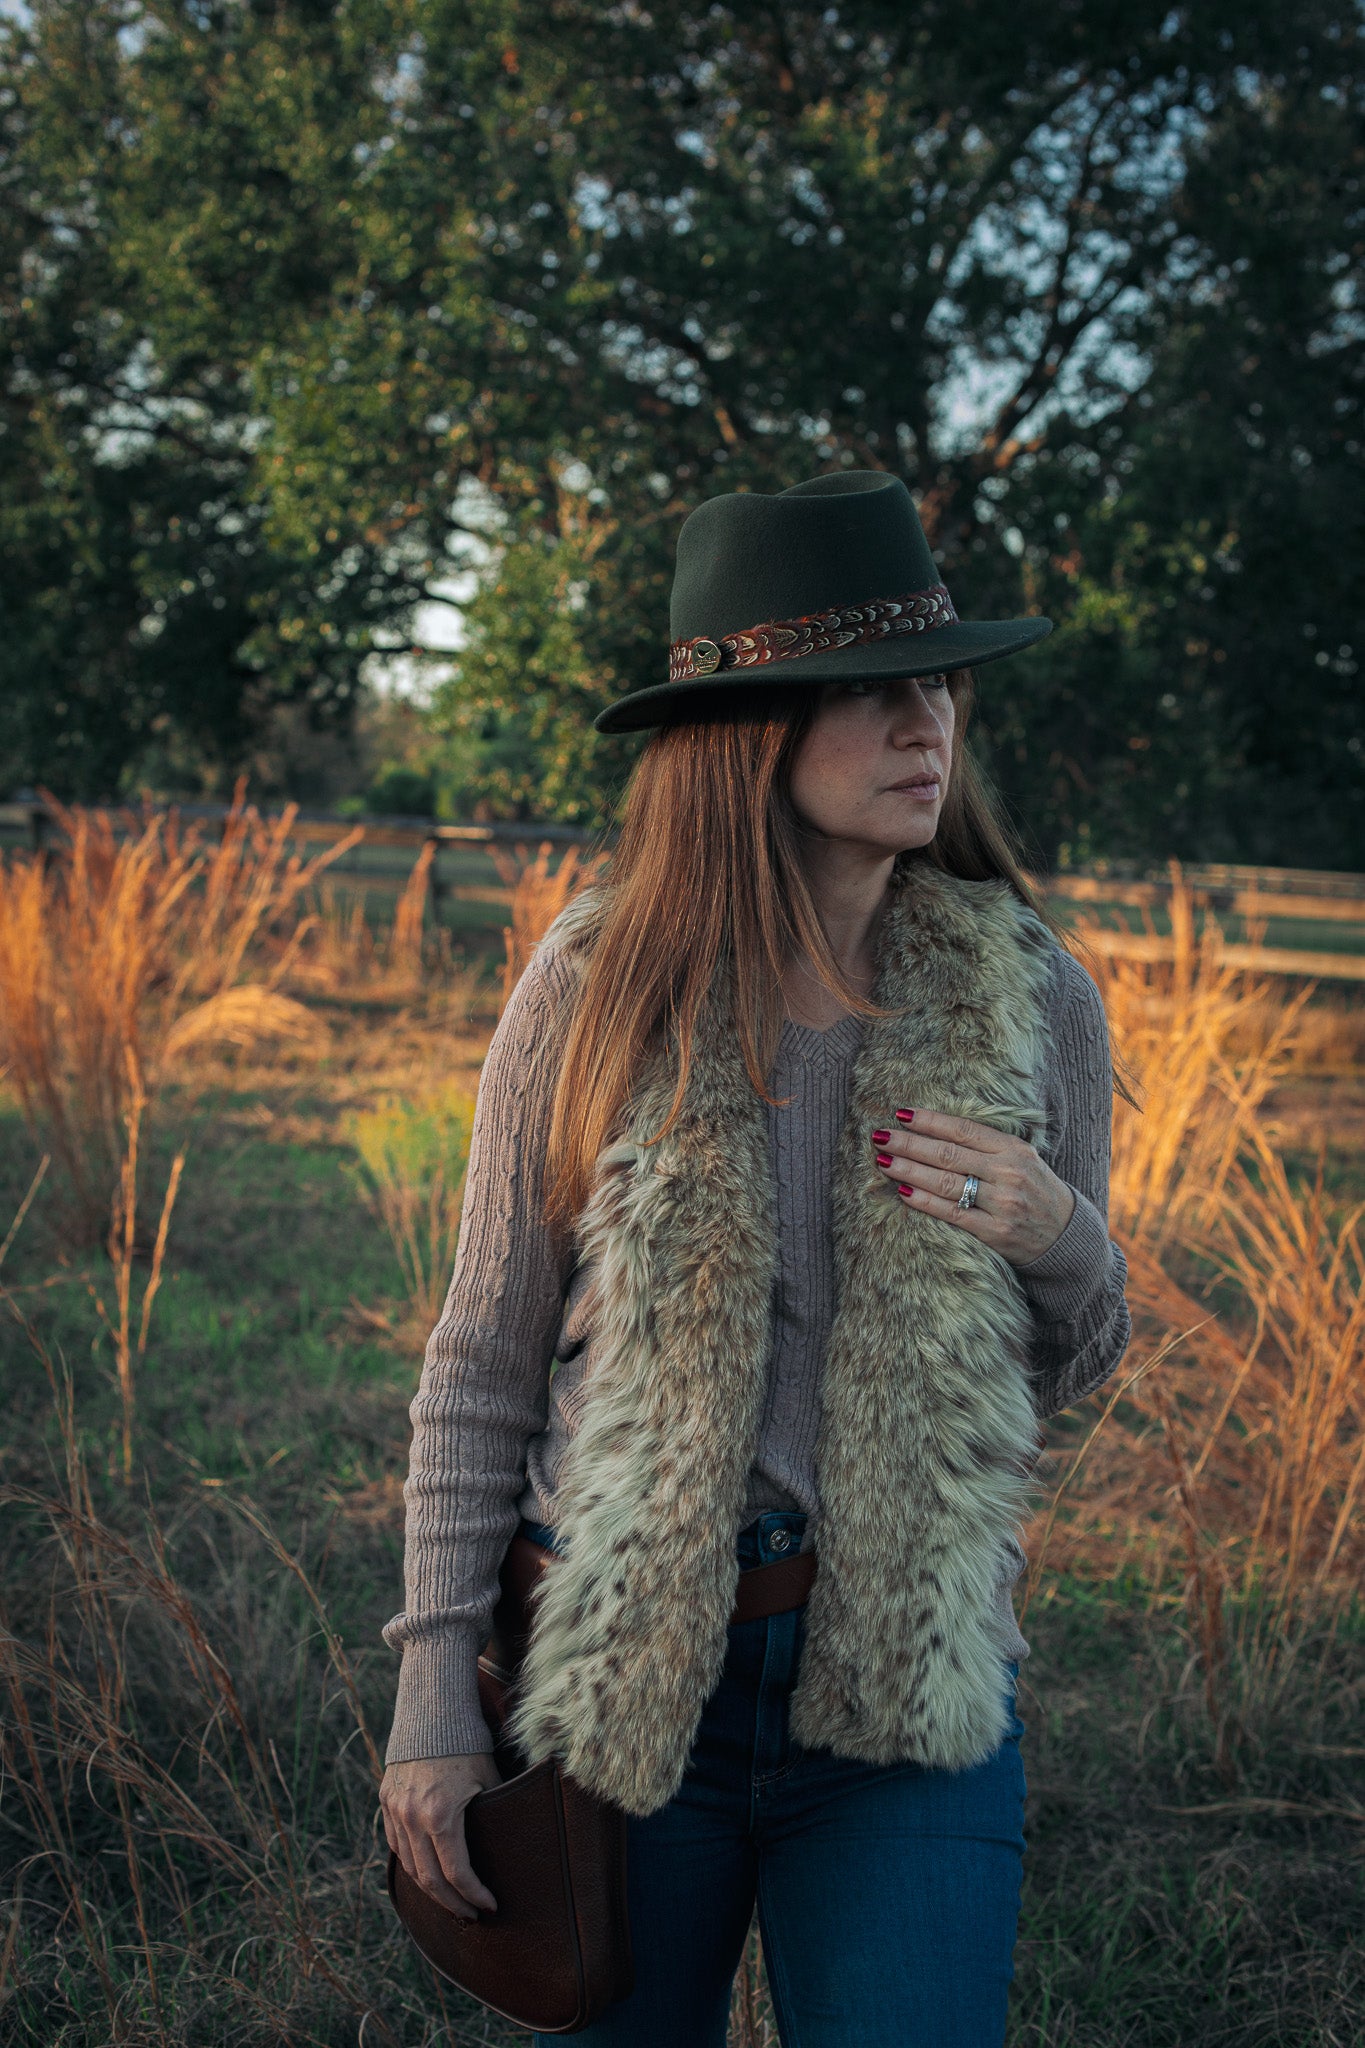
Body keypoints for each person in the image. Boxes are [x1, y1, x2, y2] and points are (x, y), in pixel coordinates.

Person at [379, 469, 1132, 2047]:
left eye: (935, 680)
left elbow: (1067, 1370)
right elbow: (482, 1360)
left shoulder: (1029, 998)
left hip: (908, 1692)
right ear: (746, 734)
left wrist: (1057, 1237)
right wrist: (435, 1687)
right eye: (865, 692)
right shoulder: (597, 985)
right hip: (623, 1691)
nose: (923, 723)